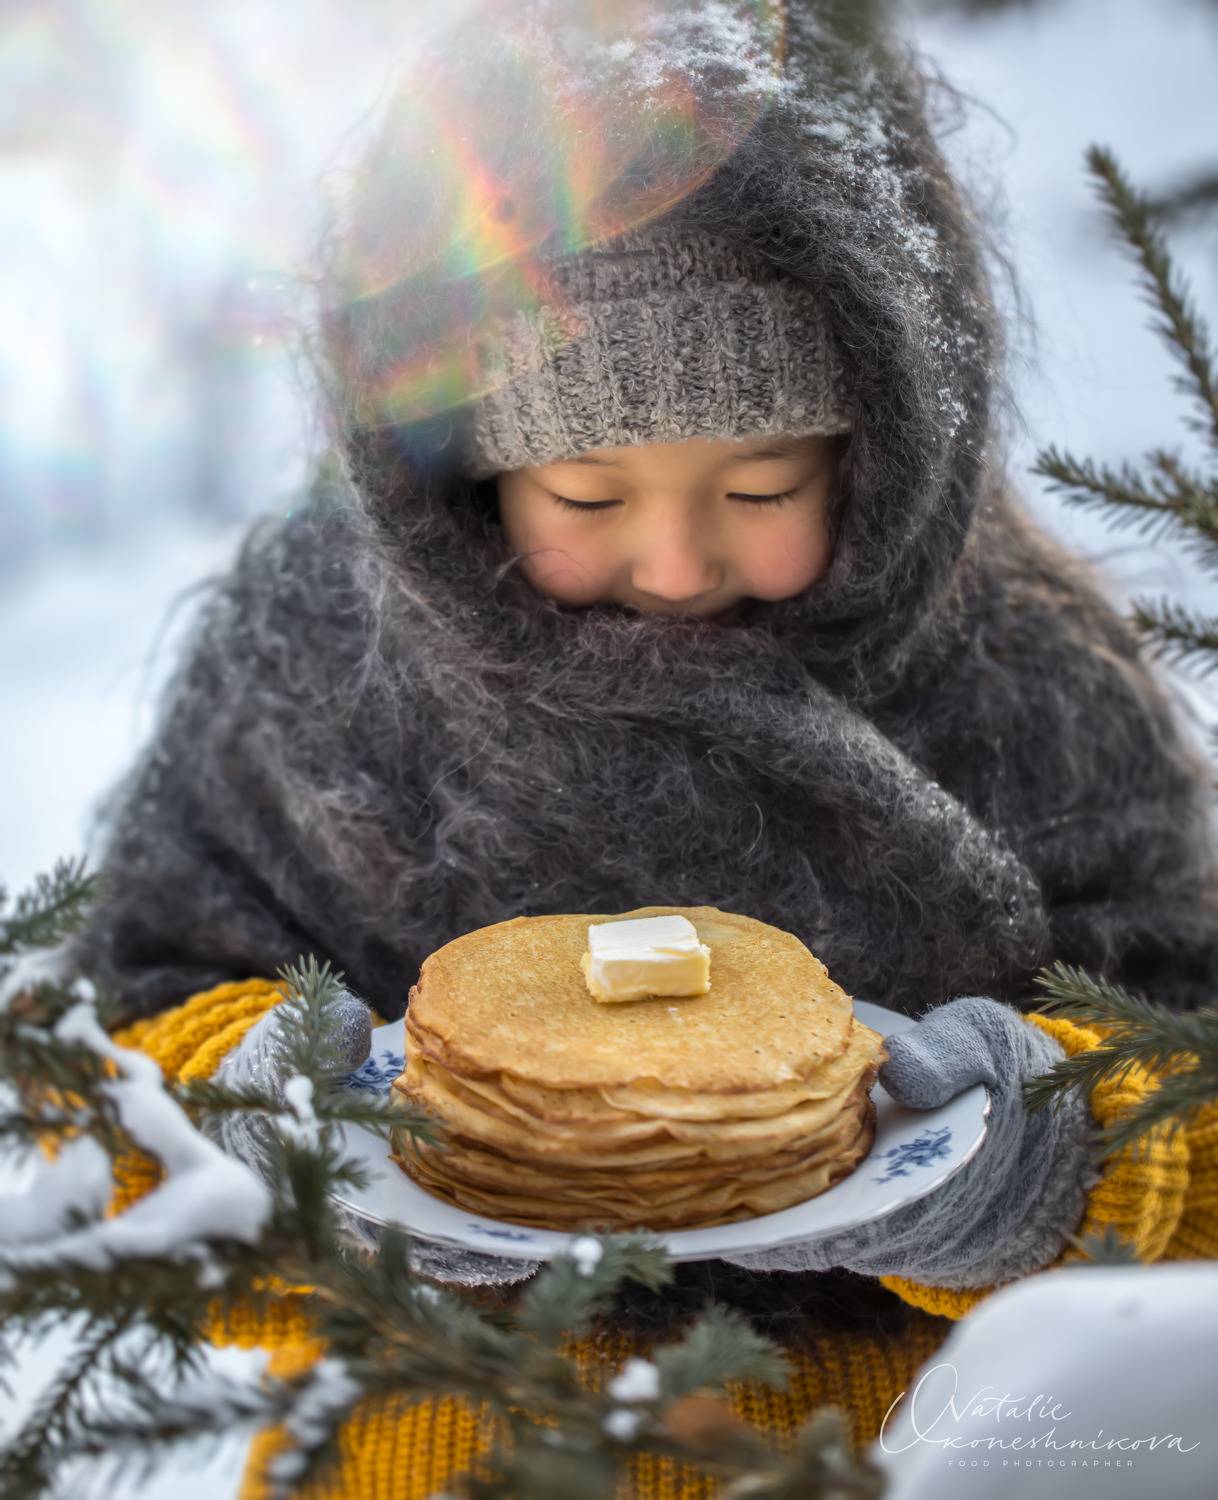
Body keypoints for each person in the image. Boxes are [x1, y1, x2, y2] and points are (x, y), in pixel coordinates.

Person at [64, 2, 1218, 1496]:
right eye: (589, 497)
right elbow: (114, 1092)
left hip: (906, 1438)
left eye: (760, 484)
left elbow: (1190, 1101)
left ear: (888, 450)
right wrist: (301, 1127)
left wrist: (1036, 1163)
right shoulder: (317, 675)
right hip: (430, 1426)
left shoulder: (1025, 679)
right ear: (458, 467)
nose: (674, 565)